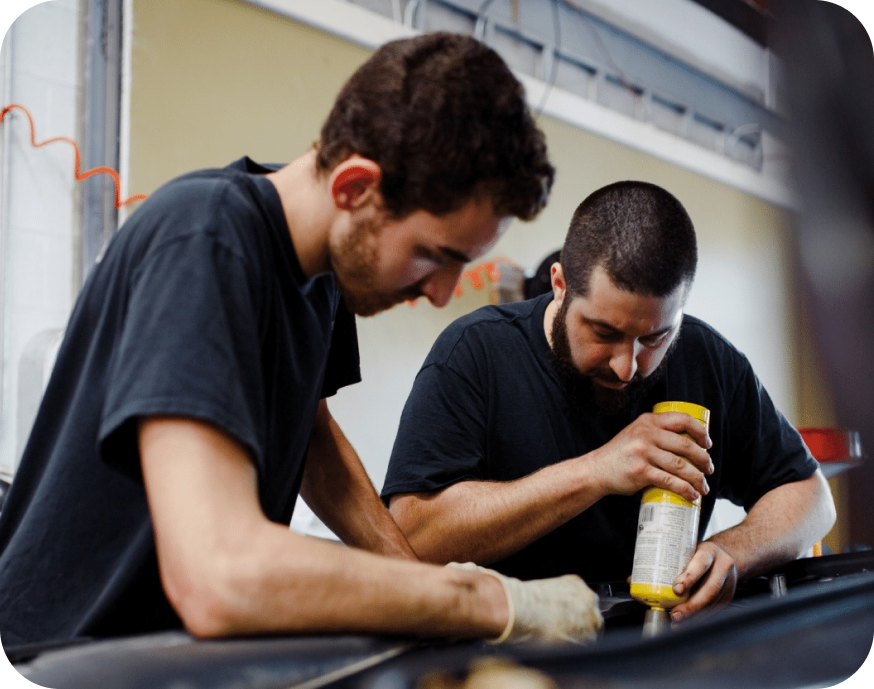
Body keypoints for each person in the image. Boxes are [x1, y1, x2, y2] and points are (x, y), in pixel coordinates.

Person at [0, 32, 604, 649]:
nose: (444, 294)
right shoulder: (206, 240)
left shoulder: (320, 274)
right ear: (354, 188)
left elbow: (314, 441)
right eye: (433, 255)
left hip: (164, 653)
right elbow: (220, 576)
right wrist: (486, 601)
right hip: (60, 654)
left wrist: (415, 584)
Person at [383, 180, 837, 624]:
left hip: (662, 643)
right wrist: (597, 471)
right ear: (560, 284)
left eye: (655, 338)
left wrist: (733, 550)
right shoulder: (475, 352)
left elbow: (812, 499)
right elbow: (414, 537)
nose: (627, 366)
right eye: (604, 332)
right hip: (505, 650)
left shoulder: (707, 359)